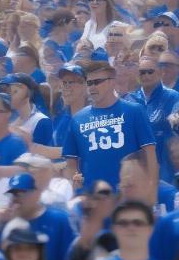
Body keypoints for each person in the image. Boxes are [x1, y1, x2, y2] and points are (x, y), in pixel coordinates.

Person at [63, 60, 157, 190]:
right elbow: (71, 163)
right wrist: (75, 184)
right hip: (95, 198)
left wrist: (152, 188)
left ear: (112, 82)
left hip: (129, 193)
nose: (92, 87)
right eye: (89, 83)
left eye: (97, 82)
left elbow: (150, 154)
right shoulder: (77, 119)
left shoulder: (134, 111)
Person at [0, 173, 76, 260]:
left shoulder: (58, 219)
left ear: (35, 194)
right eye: (12, 195)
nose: (15, 199)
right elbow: (1, 257)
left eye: (20, 194)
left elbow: (70, 257)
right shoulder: (8, 223)